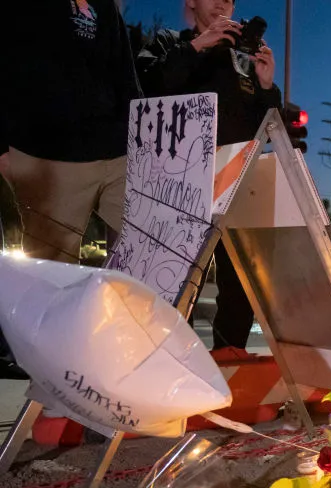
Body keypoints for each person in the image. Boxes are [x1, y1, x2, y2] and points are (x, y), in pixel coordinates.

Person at [137, 0, 282, 353]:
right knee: (179, 279)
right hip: (179, 183)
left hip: (235, 182)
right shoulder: (170, 43)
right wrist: (199, 45)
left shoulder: (241, 58)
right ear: (191, 2)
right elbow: (147, 86)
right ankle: (170, 360)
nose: (223, 3)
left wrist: (266, 86)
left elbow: (267, 129)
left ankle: (229, 359)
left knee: (240, 284)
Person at [0, 1, 141, 263]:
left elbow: (125, 76)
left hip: (115, 147)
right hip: (47, 154)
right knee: (51, 273)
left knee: (146, 252)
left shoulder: (105, 6)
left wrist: (139, 140)